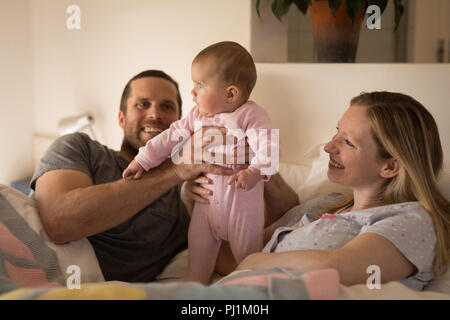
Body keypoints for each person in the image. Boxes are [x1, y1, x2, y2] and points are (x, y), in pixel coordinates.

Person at [185, 91, 450, 290]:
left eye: (347, 142)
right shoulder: (323, 206)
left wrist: (254, 262)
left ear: (390, 167)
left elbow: (334, 268)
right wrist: (198, 203)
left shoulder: (412, 221)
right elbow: (228, 262)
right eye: (337, 132)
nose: (328, 147)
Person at [30, 70, 235, 282]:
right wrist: (174, 170)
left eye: (166, 106)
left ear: (180, 125)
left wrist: (260, 169)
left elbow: (228, 262)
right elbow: (59, 222)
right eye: (142, 104)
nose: (154, 115)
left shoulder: (186, 189)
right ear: (121, 118)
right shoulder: (81, 149)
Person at [122, 41, 279, 284]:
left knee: (249, 262)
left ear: (230, 93)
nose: (192, 92)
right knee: (198, 256)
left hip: (242, 207)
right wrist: (143, 159)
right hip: (205, 206)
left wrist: (256, 171)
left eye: (200, 85)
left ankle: (250, 288)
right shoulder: (195, 116)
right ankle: (195, 287)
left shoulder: (251, 115)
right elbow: (169, 137)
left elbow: (268, 145)